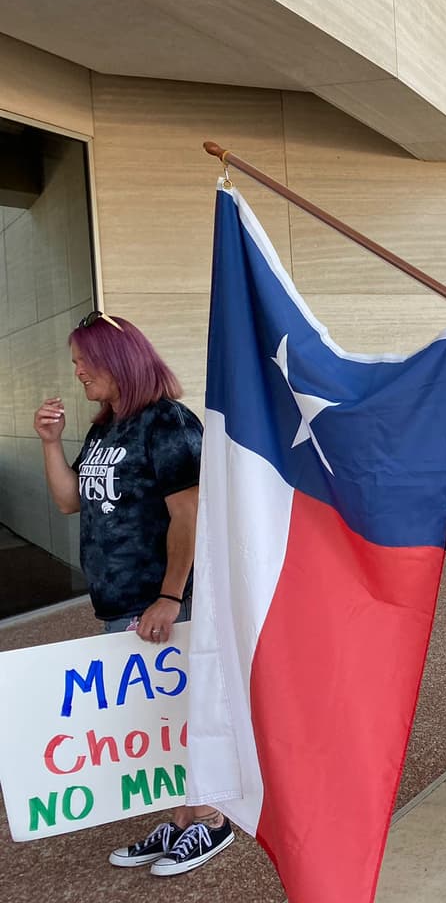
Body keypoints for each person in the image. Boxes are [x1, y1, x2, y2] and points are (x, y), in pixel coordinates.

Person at [33, 310, 235, 877]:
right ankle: (178, 819)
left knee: (186, 713)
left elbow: (189, 515)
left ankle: (211, 820)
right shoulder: (106, 427)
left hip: (168, 603)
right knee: (155, 720)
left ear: (117, 361)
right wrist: (51, 442)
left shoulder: (167, 422)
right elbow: (72, 501)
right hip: (121, 604)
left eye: (84, 360)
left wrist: (170, 597)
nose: (76, 371)